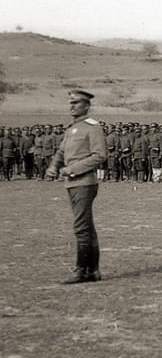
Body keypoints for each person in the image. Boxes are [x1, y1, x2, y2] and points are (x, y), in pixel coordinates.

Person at [46, 89, 109, 283]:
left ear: (87, 106)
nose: (72, 107)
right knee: (87, 226)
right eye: (70, 104)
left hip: (84, 182)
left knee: (81, 226)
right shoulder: (72, 128)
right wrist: (53, 166)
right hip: (72, 183)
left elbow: (99, 155)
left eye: (76, 104)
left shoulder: (93, 127)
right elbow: (61, 151)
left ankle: (81, 270)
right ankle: (93, 271)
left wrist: (70, 169)